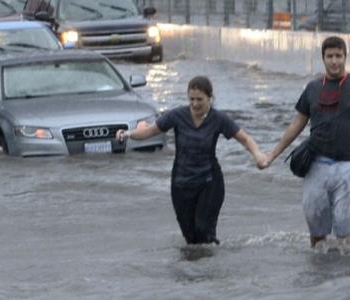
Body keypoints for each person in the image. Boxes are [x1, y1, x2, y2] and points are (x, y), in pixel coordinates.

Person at [116, 76, 266, 245]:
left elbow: (245, 139)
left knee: (204, 231)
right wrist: (127, 134)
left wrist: (258, 155)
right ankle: (193, 269)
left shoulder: (218, 119)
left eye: (199, 99)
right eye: (191, 99)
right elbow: (150, 131)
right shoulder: (177, 115)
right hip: (181, 183)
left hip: (209, 182)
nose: (195, 104)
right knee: (190, 237)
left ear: (210, 98)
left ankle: (210, 268)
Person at [261, 36, 350, 248]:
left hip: (348, 167)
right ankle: (318, 276)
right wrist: (272, 155)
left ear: (345, 57)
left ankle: (341, 279)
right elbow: (296, 125)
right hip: (316, 166)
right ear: (323, 58)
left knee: (345, 231)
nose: (335, 61)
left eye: (339, 56)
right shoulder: (312, 88)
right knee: (316, 230)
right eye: (330, 56)